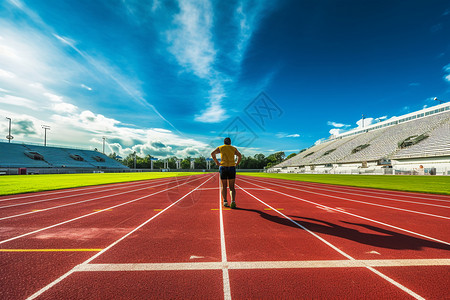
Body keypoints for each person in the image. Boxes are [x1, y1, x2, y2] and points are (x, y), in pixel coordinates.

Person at [211, 137, 242, 209]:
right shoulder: (233, 148)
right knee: (232, 187)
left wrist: (216, 162)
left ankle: (225, 201)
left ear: (224, 142)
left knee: (224, 186)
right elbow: (240, 156)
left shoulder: (221, 147)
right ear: (230, 142)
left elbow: (212, 153)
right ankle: (233, 201)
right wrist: (237, 163)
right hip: (231, 167)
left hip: (223, 167)